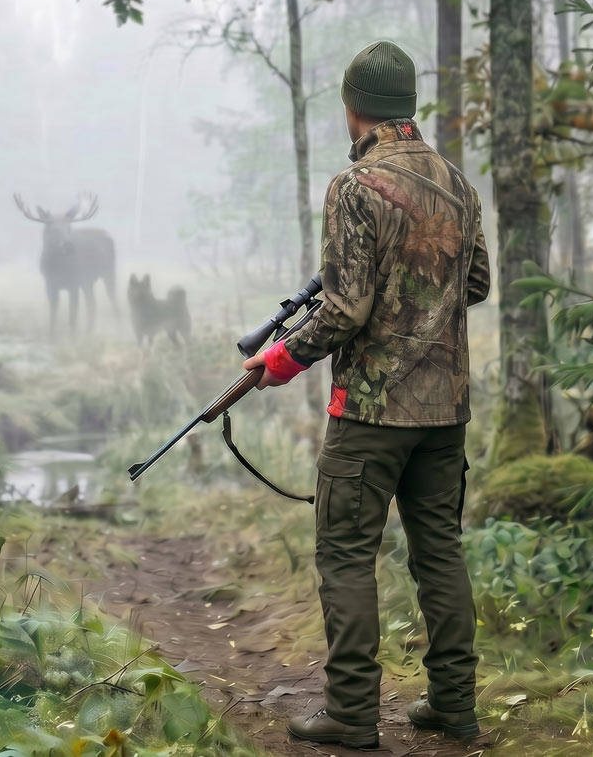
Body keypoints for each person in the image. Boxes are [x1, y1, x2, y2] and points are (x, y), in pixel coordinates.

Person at [242, 40, 491, 748]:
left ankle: (352, 714)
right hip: (446, 410)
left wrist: (281, 359)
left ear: (354, 109)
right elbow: (475, 285)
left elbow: (346, 309)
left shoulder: (356, 187)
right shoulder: (459, 185)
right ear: (406, 105)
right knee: (439, 552)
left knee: (347, 554)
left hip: (373, 411)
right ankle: (456, 706)